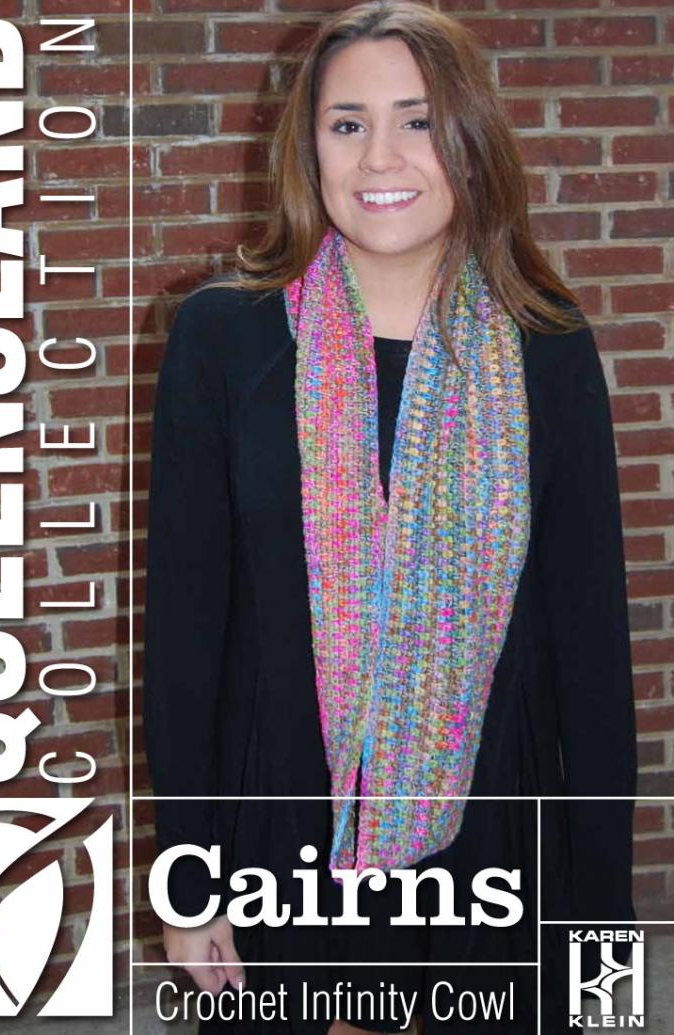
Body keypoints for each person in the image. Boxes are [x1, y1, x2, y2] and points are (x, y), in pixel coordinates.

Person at [142, 2, 638, 1032]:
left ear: (470, 140)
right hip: (281, 827)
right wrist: (187, 881)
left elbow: (588, 650)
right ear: (309, 147)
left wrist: (600, 914)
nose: (380, 156)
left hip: (493, 821)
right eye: (346, 123)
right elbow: (186, 641)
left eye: (417, 120)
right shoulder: (224, 339)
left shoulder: (545, 344)